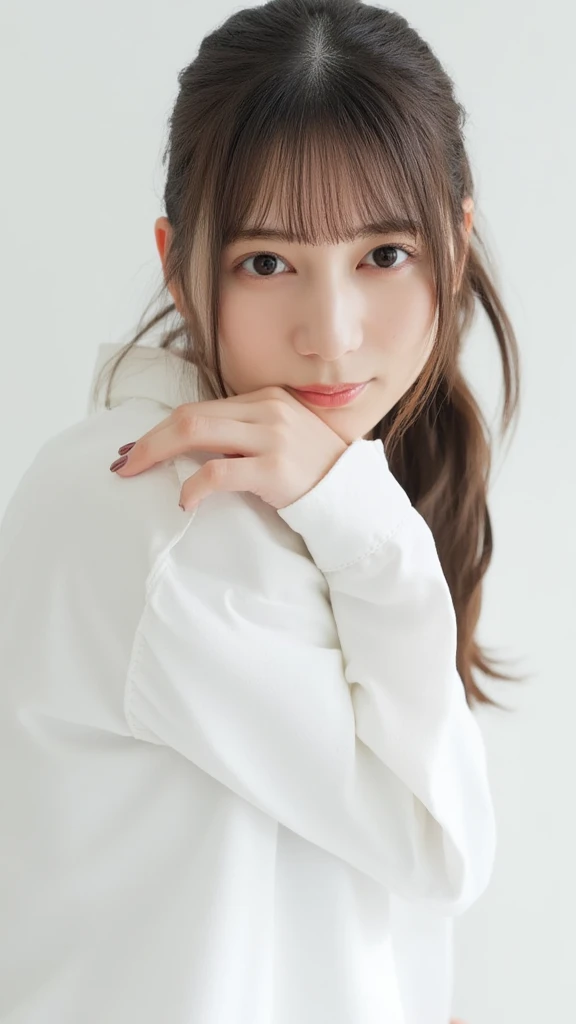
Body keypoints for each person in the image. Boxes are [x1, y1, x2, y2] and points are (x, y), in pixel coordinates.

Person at [0, 0, 523, 1022]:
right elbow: (440, 846)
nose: (330, 335)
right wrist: (365, 519)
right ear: (178, 263)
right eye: (269, 263)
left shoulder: (283, 497)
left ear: (455, 241)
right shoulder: (181, 518)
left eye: (383, 255)